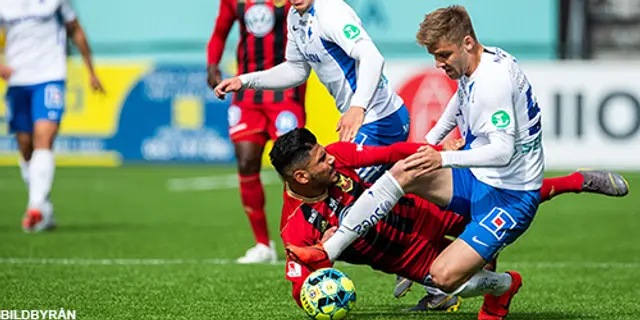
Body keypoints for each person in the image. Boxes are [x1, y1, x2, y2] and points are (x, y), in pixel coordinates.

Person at [284, 6, 630, 319]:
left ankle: (504, 284)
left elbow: (502, 152)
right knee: (404, 171)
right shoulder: (479, 63)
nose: (438, 63)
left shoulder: (492, 83)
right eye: (434, 56)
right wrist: (430, 145)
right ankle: (331, 249)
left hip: (510, 197)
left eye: (443, 54)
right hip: (484, 178)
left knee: (443, 278)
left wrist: (443, 157)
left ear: (467, 42)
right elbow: (459, 104)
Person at [272, 128, 627, 312]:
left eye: (325, 154)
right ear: (301, 177)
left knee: (498, 202)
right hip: (406, 258)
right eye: (321, 161)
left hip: (426, 213)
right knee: (458, 283)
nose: (330, 160)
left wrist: (441, 155)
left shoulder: (340, 156)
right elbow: (299, 288)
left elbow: (394, 153)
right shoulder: (296, 228)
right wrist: (322, 273)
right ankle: (502, 285)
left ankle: (576, 181)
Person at [213, 0, 409, 185]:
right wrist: (245, 81)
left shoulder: (331, 12)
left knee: (340, 192)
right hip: (366, 121)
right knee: (370, 198)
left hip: (380, 119)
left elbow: (372, 57)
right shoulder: (295, 16)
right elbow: (296, 70)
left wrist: (358, 107)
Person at [206, 0, 307, 264]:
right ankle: (262, 244)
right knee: (247, 161)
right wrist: (212, 65)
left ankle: (302, 239)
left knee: (295, 164)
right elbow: (219, 32)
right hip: (246, 91)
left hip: (285, 91)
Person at [0, 0, 104, 232]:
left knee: (44, 138)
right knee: (25, 146)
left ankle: (35, 206)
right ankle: (43, 207)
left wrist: (91, 70)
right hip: (17, 79)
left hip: (50, 75)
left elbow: (75, 29)